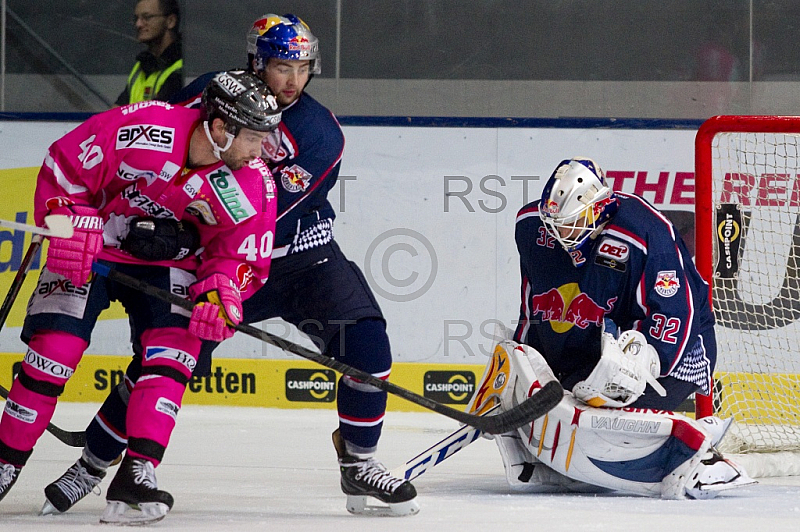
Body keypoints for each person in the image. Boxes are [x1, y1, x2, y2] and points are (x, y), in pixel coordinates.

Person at [42, 14, 419, 518]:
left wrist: (180, 230)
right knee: (164, 365)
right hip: (222, 266)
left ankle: (359, 464)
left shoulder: (319, 131)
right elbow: (160, 159)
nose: (293, 80)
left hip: (304, 259)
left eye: (303, 68)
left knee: (367, 345)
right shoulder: (207, 94)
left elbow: (259, 212)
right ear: (258, 61)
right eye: (283, 66)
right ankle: (93, 465)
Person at [0, 70, 282, 525]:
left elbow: (238, 255)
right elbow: (64, 168)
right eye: (252, 138)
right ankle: (5, 461)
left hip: (170, 267)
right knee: (55, 353)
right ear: (220, 127)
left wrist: (222, 290)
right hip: (91, 250)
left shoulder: (251, 184)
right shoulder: (144, 128)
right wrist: (67, 221)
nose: (259, 151)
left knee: (174, 355)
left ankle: (138, 471)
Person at [467, 157, 754, 498]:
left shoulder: (645, 231)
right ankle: (544, 461)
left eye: (574, 223)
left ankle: (702, 458)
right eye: (557, 223)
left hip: (677, 351)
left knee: (605, 407)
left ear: (600, 208)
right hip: (586, 353)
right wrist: (519, 368)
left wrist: (643, 361)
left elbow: (679, 311)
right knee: (545, 400)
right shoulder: (532, 226)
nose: (564, 233)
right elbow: (532, 304)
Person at [116, 0, 183, 105]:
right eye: (136, 18)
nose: (138, 24)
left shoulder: (182, 69)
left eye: (147, 17)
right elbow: (115, 111)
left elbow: (159, 117)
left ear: (170, 21)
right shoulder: (143, 64)